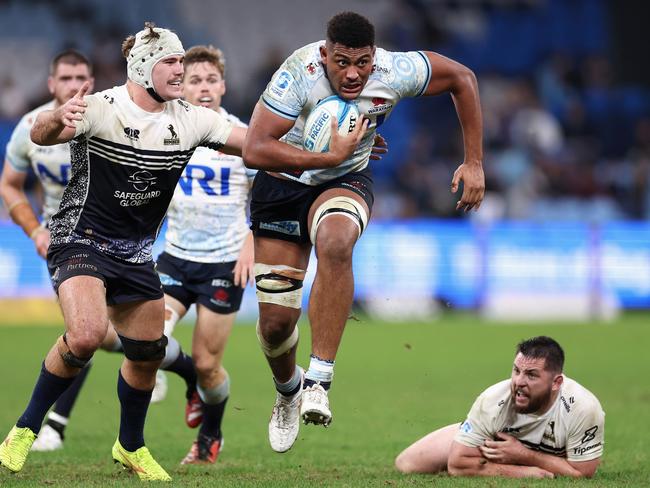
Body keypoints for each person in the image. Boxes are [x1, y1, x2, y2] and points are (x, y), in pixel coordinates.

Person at [0, 22, 246, 481]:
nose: (75, 87)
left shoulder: (180, 118)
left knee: (147, 349)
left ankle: (130, 443)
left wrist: (320, 155)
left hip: (134, 251)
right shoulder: (79, 112)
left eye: (81, 79)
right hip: (77, 237)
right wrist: (35, 228)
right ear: (53, 85)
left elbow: (255, 149)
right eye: (66, 81)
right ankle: (27, 428)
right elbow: (23, 161)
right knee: (88, 334)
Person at [242, 11, 485, 453]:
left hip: (345, 181)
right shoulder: (298, 73)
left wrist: (474, 162)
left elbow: (462, 78)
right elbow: (255, 150)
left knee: (336, 240)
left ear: (374, 57)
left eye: (363, 62)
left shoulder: (395, 70)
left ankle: (318, 380)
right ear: (324, 55)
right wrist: (328, 156)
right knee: (276, 326)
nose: (353, 74)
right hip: (281, 185)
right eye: (342, 62)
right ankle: (288, 389)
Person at [155, 44, 256, 465]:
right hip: (175, 257)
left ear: (223, 86)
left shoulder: (242, 135)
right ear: (182, 87)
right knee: (147, 338)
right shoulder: (166, 131)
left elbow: (265, 198)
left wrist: (251, 243)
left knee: (209, 365)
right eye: (194, 80)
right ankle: (186, 382)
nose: (203, 87)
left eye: (210, 80)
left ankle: (210, 435)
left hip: (223, 263)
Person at [395, 336, 605, 479]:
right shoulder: (493, 399)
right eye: (516, 371)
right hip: (493, 440)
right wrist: (524, 472)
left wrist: (524, 456)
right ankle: (471, 430)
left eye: (531, 375)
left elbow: (582, 473)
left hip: (522, 450)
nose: (518, 382)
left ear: (556, 382)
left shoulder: (583, 407)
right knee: (408, 463)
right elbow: (458, 465)